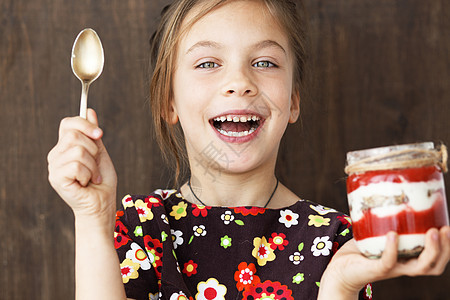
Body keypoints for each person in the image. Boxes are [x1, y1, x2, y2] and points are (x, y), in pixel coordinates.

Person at [47, 0, 450, 299]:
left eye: (264, 62)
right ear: (168, 101)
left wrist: (339, 289)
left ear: (293, 100)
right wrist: (91, 218)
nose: (239, 82)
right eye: (207, 64)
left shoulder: (339, 244)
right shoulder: (139, 228)